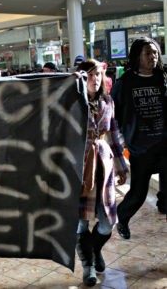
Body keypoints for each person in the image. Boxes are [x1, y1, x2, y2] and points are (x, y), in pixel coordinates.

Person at [75, 59, 128, 286]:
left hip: (103, 165)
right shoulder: (74, 102)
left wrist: (121, 166)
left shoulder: (108, 102)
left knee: (107, 223)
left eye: (98, 74)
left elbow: (114, 135)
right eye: (89, 75)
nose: (95, 79)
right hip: (79, 165)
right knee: (80, 224)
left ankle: (95, 251)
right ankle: (88, 268)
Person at [111, 37, 167, 239]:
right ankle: (122, 218)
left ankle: (163, 204)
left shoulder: (163, 77)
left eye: (155, 52)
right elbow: (112, 115)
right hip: (140, 148)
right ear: (137, 56)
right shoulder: (124, 83)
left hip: (164, 145)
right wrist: (120, 141)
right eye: (147, 53)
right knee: (138, 195)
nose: (153, 56)